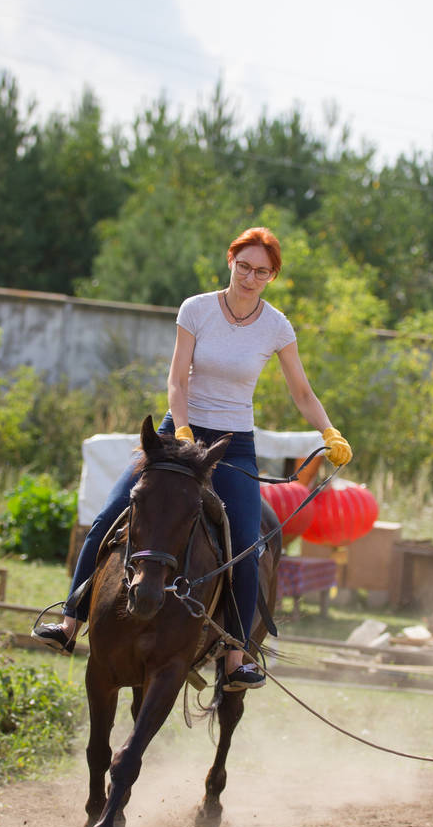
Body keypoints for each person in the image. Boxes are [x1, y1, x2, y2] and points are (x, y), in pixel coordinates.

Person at [33, 227, 352, 689]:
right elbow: (177, 379)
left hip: (234, 443)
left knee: (246, 544)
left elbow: (300, 390)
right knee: (108, 516)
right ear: (230, 262)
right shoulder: (197, 309)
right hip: (177, 433)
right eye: (244, 266)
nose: (250, 277)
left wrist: (328, 430)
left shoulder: (277, 326)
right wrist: (180, 430)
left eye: (261, 271)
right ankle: (69, 621)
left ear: (272, 276)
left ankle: (236, 655)